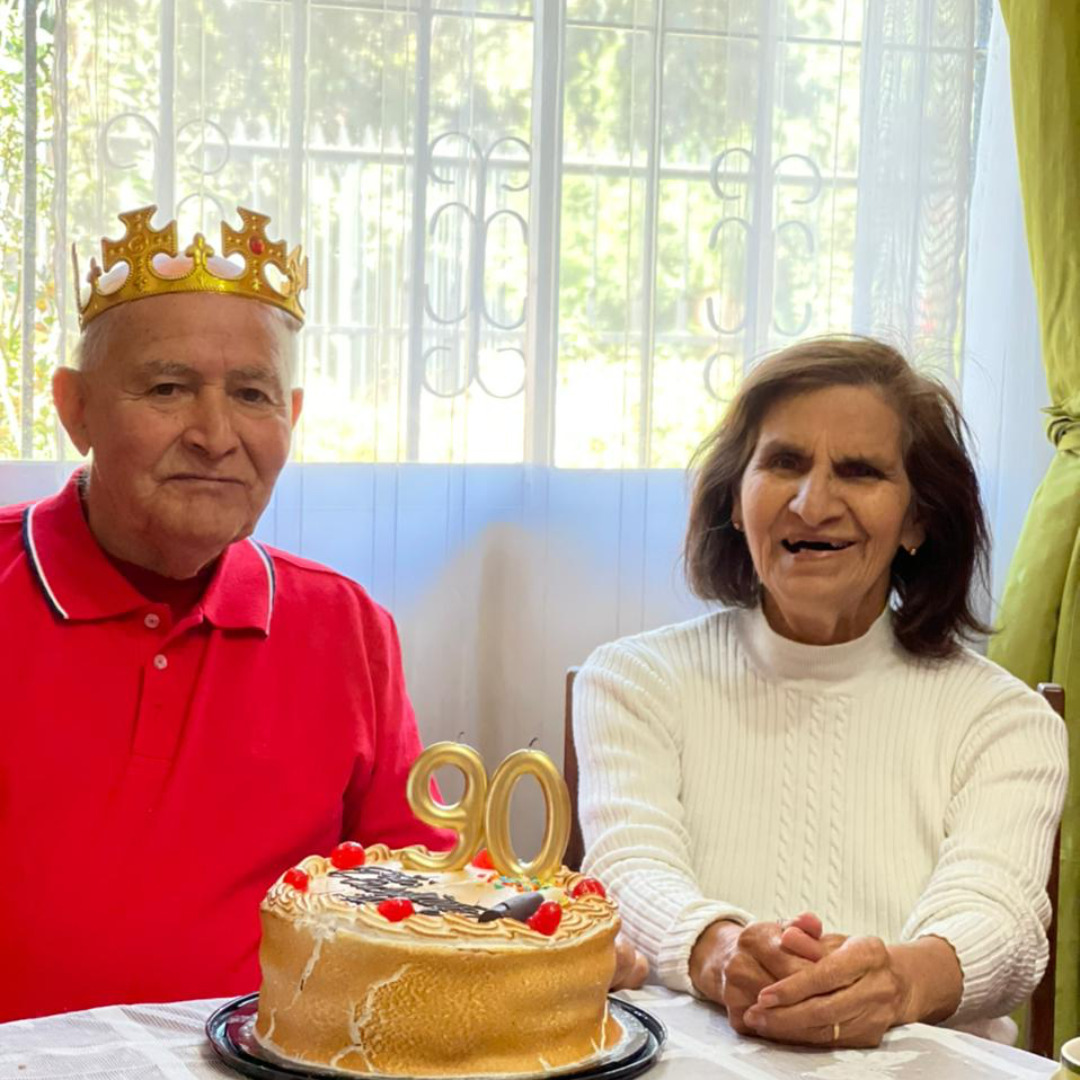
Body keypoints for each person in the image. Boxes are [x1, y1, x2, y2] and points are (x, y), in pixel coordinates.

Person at [0, 205, 644, 1022]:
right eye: (167, 388)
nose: (214, 435)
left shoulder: (344, 625)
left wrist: (537, 942)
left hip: (269, 1063)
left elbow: (408, 885)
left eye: (252, 395)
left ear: (292, 418)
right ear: (75, 408)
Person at [572, 337, 1068, 1048]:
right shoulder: (633, 680)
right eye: (784, 463)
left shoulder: (1005, 718)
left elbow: (1001, 920)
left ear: (918, 518)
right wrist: (722, 953)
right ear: (735, 501)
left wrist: (896, 982)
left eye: (860, 471)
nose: (813, 503)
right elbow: (629, 870)